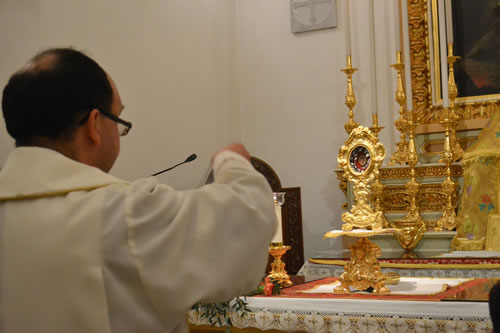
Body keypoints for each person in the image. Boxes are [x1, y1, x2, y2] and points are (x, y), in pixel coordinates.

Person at [0, 48, 276, 333]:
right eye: (119, 121)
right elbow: (246, 218)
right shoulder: (123, 214)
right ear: (94, 124)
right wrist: (232, 161)